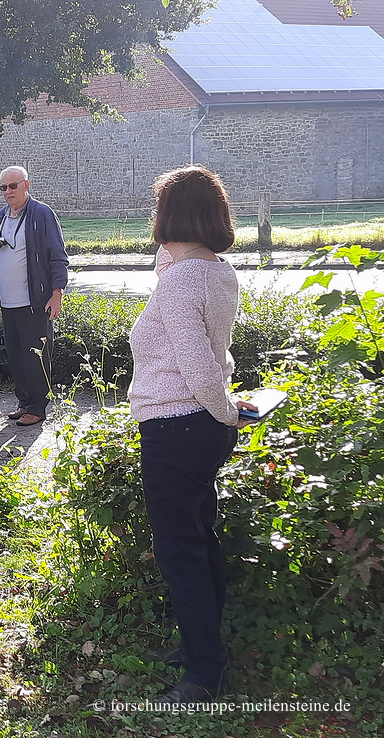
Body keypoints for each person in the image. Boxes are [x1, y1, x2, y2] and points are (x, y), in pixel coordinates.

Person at [127, 165, 256, 706]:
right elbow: (205, 357)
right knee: (201, 541)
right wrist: (224, 414)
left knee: (181, 551)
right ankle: (200, 647)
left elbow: (197, 367)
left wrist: (225, 409)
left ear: (170, 216)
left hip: (175, 426)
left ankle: (205, 673)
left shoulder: (181, 282)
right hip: (198, 428)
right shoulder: (216, 272)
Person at [0, 166, 69, 427]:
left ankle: (38, 407)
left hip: (35, 300)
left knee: (36, 356)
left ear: (26, 185)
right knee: (17, 355)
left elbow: (58, 256)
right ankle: (23, 402)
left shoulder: (42, 214)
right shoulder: (0, 216)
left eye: (13, 186)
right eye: (4, 188)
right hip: (8, 301)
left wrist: (57, 293)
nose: (8, 192)